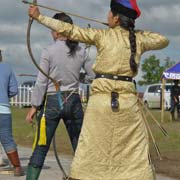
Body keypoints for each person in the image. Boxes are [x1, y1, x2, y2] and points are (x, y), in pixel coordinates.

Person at [28, 0, 169, 179]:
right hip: (128, 104)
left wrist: (39, 17)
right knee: (132, 151)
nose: (107, 16)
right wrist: (132, 32)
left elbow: (70, 30)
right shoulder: (137, 39)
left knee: (91, 150)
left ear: (116, 18)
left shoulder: (102, 35)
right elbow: (163, 40)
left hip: (101, 103)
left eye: (110, 13)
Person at [25, 13, 95, 180]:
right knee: (80, 148)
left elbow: (41, 82)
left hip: (51, 102)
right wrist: (78, 77)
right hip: (74, 101)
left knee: (41, 147)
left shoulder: (48, 51)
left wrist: (34, 107)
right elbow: (92, 76)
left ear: (57, 31)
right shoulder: (81, 51)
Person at [0, 49, 23, 176]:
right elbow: (14, 90)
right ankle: (17, 167)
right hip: (3, 109)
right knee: (7, 139)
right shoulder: (7, 68)